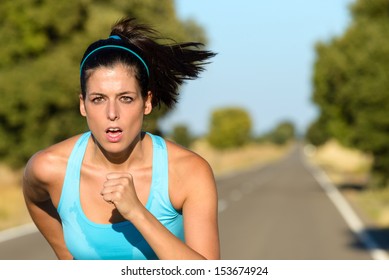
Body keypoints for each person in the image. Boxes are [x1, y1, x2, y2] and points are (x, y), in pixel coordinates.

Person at [22, 17, 219, 260]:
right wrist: (67, 258)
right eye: (98, 99)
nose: (112, 114)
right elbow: (34, 196)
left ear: (146, 102)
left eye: (125, 98)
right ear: (83, 105)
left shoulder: (188, 172)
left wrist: (137, 212)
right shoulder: (49, 167)